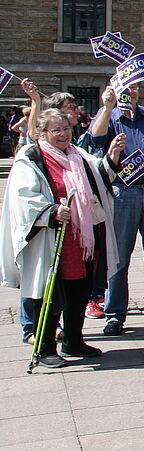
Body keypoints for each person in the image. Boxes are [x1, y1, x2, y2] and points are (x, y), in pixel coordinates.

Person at [0, 109, 123, 368]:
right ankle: (44, 348)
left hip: (80, 240)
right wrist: (52, 211)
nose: (63, 134)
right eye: (56, 130)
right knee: (48, 293)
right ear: (42, 133)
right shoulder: (31, 157)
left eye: (66, 129)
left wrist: (111, 156)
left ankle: (74, 340)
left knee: (79, 288)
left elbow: (99, 174)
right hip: (50, 237)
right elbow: (24, 197)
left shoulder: (77, 154)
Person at [81, 84, 144, 336]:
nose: (130, 92)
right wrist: (107, 106)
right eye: (124, 87)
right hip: (122, 192)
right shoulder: (109, 116)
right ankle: (114, 314)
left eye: (134, 87)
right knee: (119, 257)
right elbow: (94, 139)